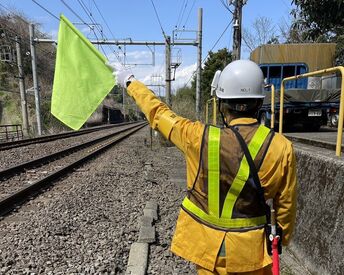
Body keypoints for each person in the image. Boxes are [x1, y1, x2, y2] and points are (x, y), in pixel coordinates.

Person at [108, 60, 297, 275]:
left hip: (209, 252)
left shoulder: (198, 137)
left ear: (221, 103)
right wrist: (280, 238)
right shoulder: (281, 147)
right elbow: (286, 206)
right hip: (251, 253)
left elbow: (158, 114)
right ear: (259, 102)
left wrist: (130, 82)